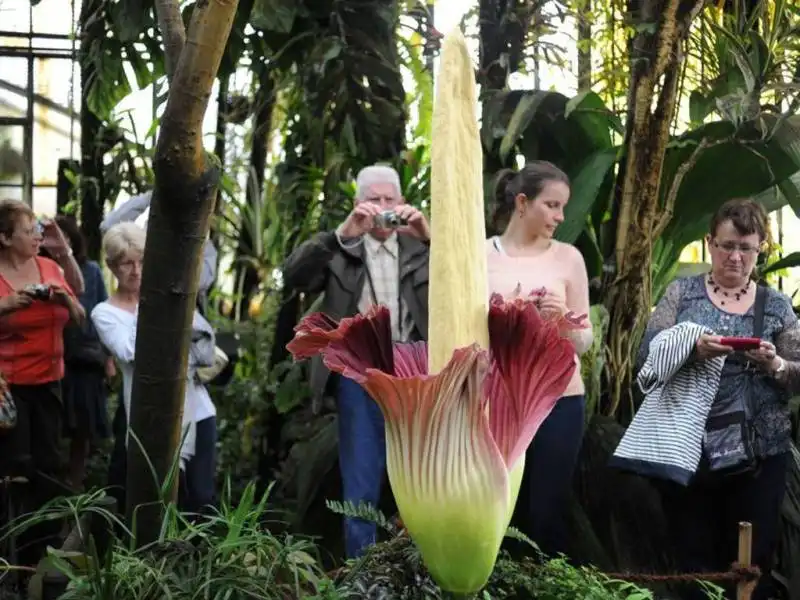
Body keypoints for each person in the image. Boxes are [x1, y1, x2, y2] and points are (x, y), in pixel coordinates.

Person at [634, 198, 799, 600]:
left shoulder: (774, 304)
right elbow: (646, 357)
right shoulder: (682, 294)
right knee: (693, 557)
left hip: (759, 455)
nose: (736, 257)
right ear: (710, 242)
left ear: (760, 248)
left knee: (750, 560)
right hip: (690, 450)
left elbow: (798, 371)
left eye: (746, 248)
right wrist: (691, 349)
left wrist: (774, 363)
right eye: (727, 246)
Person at [283, 164, 431, 558]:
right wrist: (340, 234)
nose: (383, 208)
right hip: (358, 371)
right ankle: (363, 574)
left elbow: (467, 279)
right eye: (373, 200)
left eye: (390, 200)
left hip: (414, 370)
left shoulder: (422, 248)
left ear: (402, 202)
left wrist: (431, 238)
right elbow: (294, 276)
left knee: (421, 476)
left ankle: (418, 571)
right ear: (358, 204)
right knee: (361, 479)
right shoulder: (340, 249)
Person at [486, 161, 593, 559]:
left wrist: (559, 317)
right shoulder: (482, 256)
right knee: (498, 508)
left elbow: (583, 343)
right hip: (498, 400)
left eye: (563, 207)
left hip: (560, 400)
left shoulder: (570, 259)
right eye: (551, 205)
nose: (561, 217)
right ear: (522, 203)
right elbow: (465, 334)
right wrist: (503, 312)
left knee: (546, 510)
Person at [99, 194, 220, 513]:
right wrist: (157, 192)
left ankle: (199, 563)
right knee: (158, 501)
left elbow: (205, 349)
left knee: (202, 500)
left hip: (198, 410)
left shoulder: (172, 295)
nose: (137, 271)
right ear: (113, 266)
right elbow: (130, 351)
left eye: (142, 261)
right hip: (152, 417)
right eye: (127, 263)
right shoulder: (105, 313)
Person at [0, 198, 85, 563]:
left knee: (50, 467)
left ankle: (42, 554)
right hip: (8, 386)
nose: (37, 235)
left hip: (50, 382)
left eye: (37, 228)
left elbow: (80, 311)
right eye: (28, 229)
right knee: (14, 469)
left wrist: (65, 298)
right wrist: (6, 306)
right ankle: (9, 556)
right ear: (5, 238)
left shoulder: (49, 266)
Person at [50, 215, 115, 490]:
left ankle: (75, 485)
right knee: (55, 425)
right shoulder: (42, 269)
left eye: (65, 238)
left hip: (86, 359)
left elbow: (102, 313)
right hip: (55, 358)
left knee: (83, 427)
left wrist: (109, 358)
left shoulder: (91, 271)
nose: (61, 244)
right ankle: (52, 482)